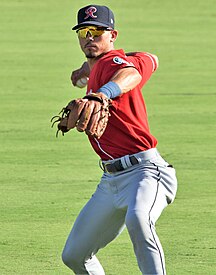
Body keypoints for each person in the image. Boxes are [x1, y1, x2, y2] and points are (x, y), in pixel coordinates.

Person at [61, 4, 178, 275]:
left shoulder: (112, 64)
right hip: (111, 182)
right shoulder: (113, 62)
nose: (90, 37)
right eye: (84, 32)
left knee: (139, 219)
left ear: (112, 34)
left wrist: (103, 93)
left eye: (98, 31)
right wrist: (85, 71)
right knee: (75, 255)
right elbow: (151, 59)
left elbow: (131, 75)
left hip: (146, 173)